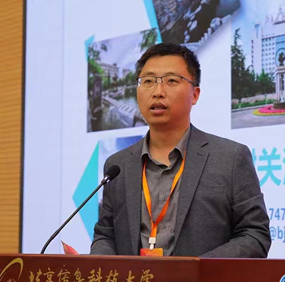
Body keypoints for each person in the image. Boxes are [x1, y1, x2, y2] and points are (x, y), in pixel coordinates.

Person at [90, 43, 271, 258]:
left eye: (171, 81)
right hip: (134, 281)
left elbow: (255, 235)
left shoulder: (230, 158)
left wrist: (193, 271)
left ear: (195, 94)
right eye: (148, 81)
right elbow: (105, 234)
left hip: (202, 280)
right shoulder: (117, 165)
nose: (158, 92)